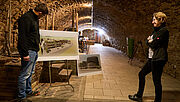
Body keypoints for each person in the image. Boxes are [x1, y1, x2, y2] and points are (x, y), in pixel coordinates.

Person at [128, 12, 169, 102]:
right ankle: (139, 96)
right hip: (152, 59)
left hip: (158, 59)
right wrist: (150, 41)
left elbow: (154, 44)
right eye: (153, 20)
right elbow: (148, 42)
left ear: (160, 20)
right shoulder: (155, 31)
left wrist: (151, 41)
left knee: (156, 80)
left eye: (154, 20)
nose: (152, 22)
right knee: (141, 74)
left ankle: (157, 100)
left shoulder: (164, 31)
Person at [17, 3, 48, 102]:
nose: (42, 17)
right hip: (29, 50)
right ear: (40, 12)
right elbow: (23, 37)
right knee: (24, 74)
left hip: (34, 50)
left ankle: (28, 91)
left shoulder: (34, 18)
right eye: (42, 15)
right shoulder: (26, 18)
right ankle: (21, 96)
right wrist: (25, 53)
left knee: (30, 73)